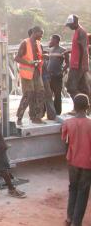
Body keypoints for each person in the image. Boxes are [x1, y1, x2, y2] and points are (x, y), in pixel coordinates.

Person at [61, 93, 91, 226]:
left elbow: (65, 141)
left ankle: (69, 217)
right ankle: (76, 222)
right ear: (88, 107)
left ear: (74, 106)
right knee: (83, 191)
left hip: (72, 161)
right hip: (87, 162)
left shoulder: (67, 122)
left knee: (72, 187)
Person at [15, 26, 45, 125]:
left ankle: (36, 117)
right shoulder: (25, 43)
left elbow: (38, 56)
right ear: (35, 32)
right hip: (27, 73)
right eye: (41, 33)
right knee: (28, 95)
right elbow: (17, 58)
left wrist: (44, 56)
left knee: (39, 93)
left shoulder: (38, 43)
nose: (42, 35)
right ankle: (19, 117)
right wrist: (29, 63)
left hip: (37, 72)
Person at [65, 15, 90, 108]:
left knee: (71, 87)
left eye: (70, 25)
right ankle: (86, 108)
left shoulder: (81, 32)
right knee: (83, 88)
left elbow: (84, 49)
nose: (69, 27)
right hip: (77, 64)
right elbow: (78, 48)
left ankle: (79, 108)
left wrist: (83, 65)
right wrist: (70, 51)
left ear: (75, 22)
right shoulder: (77, 31)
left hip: (78, 65)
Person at [48, 34, 69, 115]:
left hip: (57, 75)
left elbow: (67, 63)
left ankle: (57, 112)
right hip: (49, 75)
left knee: (57, 94)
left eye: (52, 39)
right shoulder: (50, 50)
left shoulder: (63, 50)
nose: (50, 41)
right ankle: (50, 111)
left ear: (56, 40)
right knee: (49, 94)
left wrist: (62, 71)